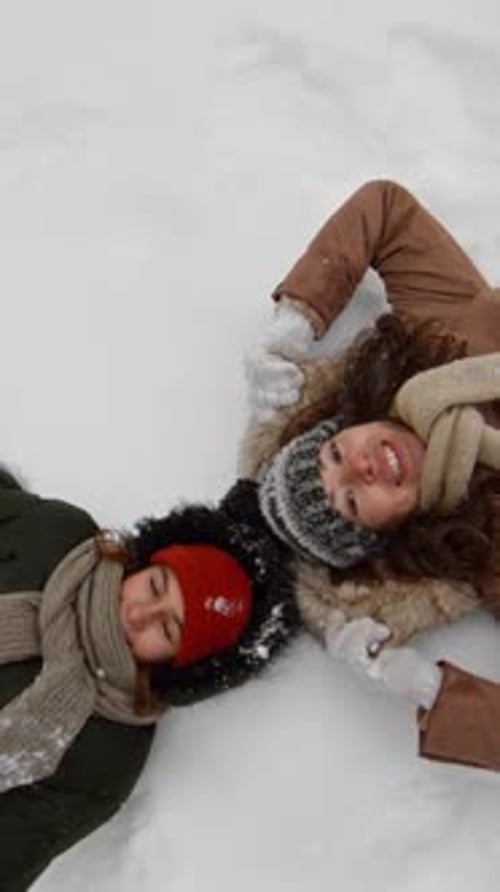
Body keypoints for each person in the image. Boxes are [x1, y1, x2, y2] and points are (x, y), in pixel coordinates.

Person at [243, 179, 500, 772]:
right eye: (353, 503)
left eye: (334, 454)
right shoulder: (487, 547)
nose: (359, 467)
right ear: (386, 532)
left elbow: (384, 208)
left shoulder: (436, 341)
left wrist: (297, 318)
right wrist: (439, 697)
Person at [0, 472, 298, 891]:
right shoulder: (57, 535)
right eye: (155, 586)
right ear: (148, 561)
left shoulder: (104, 763)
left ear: (179, 666)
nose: (140, 614)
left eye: (168, 629)